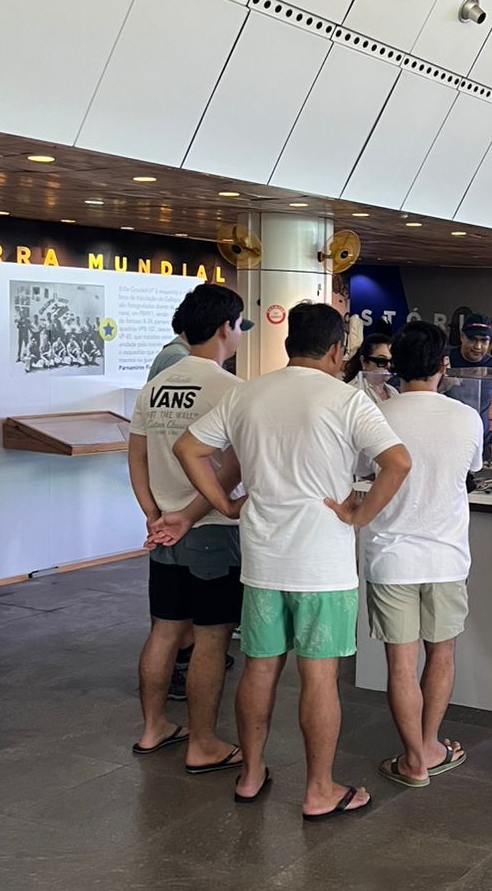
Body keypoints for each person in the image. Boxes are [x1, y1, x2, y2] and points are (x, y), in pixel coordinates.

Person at [176, 303, 411, 819]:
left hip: (263, 558)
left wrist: (224, 505)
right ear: (337, 350)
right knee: (319, 677)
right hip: (322, 563)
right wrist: (359, 515)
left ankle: (250, 773)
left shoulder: (247, 393)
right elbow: (398, 462)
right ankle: (319, 789)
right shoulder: (347, 399)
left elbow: (188, 448)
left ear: (288, 345)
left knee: (260, 669)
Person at [128, 285, 251, 770]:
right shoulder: (230, 389)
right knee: (212, 637)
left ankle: (153, 727)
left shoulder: (156, 386)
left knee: (164, 629)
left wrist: (153, 514)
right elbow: (233, 468)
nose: (238, 334)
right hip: (212, 530)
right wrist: (193, 515)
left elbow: (136, 456)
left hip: (164, 530)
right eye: (239, 326)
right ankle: (202, 743)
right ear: (225, 327)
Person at [360, 321, 484, 787]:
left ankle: (413, 759)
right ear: (444, 365)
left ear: (396, 365)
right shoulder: (466, 417)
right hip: (447, 556)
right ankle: (431, 745)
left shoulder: (377, 415)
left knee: (400, 663)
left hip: (390, 556)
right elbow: (471, 470)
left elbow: (363, 472)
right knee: (442, 654)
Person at [445, 313, 492, 461]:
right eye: (473, 339)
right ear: (462, 337)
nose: (478, 346)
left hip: (480, 445)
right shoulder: (445, 360)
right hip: (446, 442)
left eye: (484, 340)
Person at [343, 331, 397, 405]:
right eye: (382, 360)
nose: (389, 365)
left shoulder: (393, 391)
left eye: (392, 360)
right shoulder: (353, 391)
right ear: (363, 361)